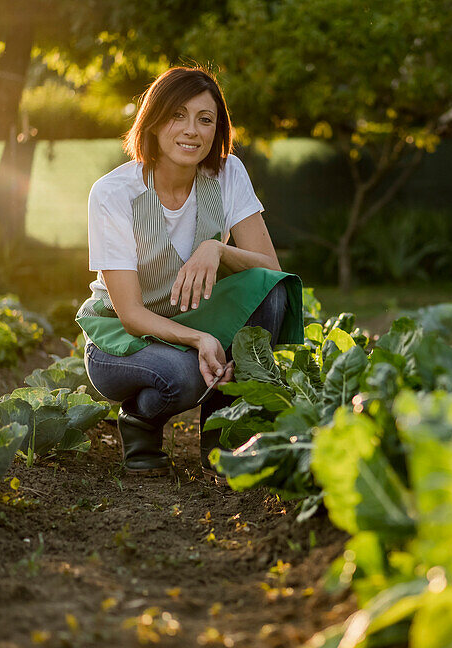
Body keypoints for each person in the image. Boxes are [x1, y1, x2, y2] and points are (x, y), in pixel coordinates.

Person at [76, 66, 303, 477]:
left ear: (218, 129)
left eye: (205, 119)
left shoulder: (228, 173)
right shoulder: (113, 193)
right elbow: (130, 313)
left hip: (195, 318)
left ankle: (225, 437)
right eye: (177, 115)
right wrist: (201, 339)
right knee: (184, 376)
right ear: (154, 120)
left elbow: (271, 270)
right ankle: (140, 422)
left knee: (271, 291)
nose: (191, 130)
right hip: (122, 340)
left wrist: (216, 248)